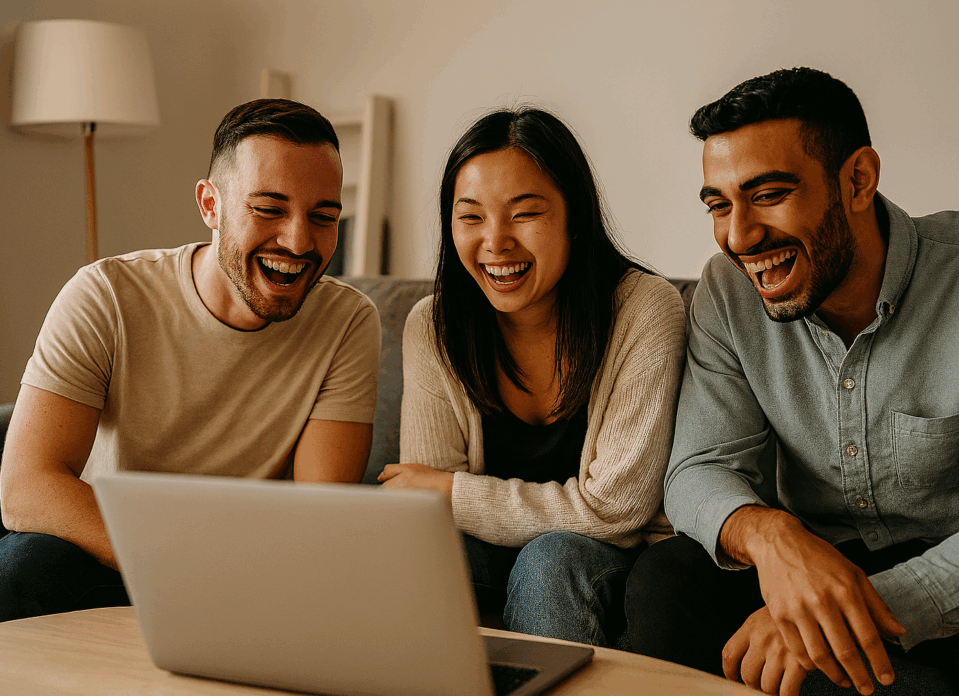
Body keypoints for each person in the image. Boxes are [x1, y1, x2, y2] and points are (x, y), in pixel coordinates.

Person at [625, 67, 959, 696]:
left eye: (768, 195)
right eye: (719, 204)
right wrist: (773, 537)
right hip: (808, 557)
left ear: (858, 180)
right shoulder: (726, 292)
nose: (739, 236)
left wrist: (833, 616)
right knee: (666, 578)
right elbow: (698, 468)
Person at [0, 99, 381, 622]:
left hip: (250, 576)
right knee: (25, 565)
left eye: (323, 217)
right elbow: (26, 489)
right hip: (111, 553)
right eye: (269, 209)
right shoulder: (105, 294)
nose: (298, 241)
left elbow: (318, 517)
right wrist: (179, 566)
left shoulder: (348, 321)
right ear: (210, 204)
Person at [377, 108, 687, 647]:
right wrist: (442, 496)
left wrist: (454, 491)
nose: (496, 242)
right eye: (470, 217)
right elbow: (425, 505)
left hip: (615, 558)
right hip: (493, 552)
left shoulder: (645, 309)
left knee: (550, 561)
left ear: (574, 218)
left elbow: (615, 511)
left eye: (524, 214)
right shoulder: (432, 325)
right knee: (419, 553)